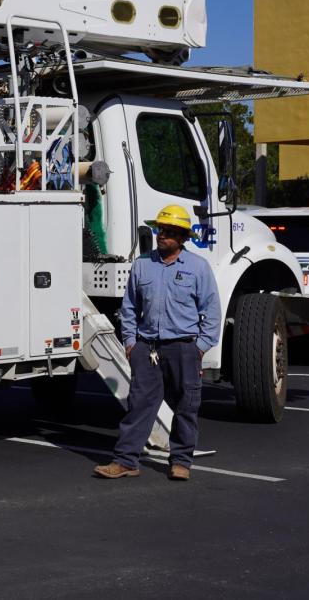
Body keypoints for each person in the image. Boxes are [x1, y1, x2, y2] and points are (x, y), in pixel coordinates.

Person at [94, 204, 220, 482]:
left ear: (183, 237)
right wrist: (130, 343)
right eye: (160, 230)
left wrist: (199, 348)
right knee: (139, 405)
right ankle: (126, 461)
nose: (162, 235)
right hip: (147, 347)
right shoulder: (142, 266)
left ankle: (181, 461)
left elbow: (211, 312)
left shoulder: (198, 268)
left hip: (184, 348)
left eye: (169, 232)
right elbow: (129, 308)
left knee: (186, 406)